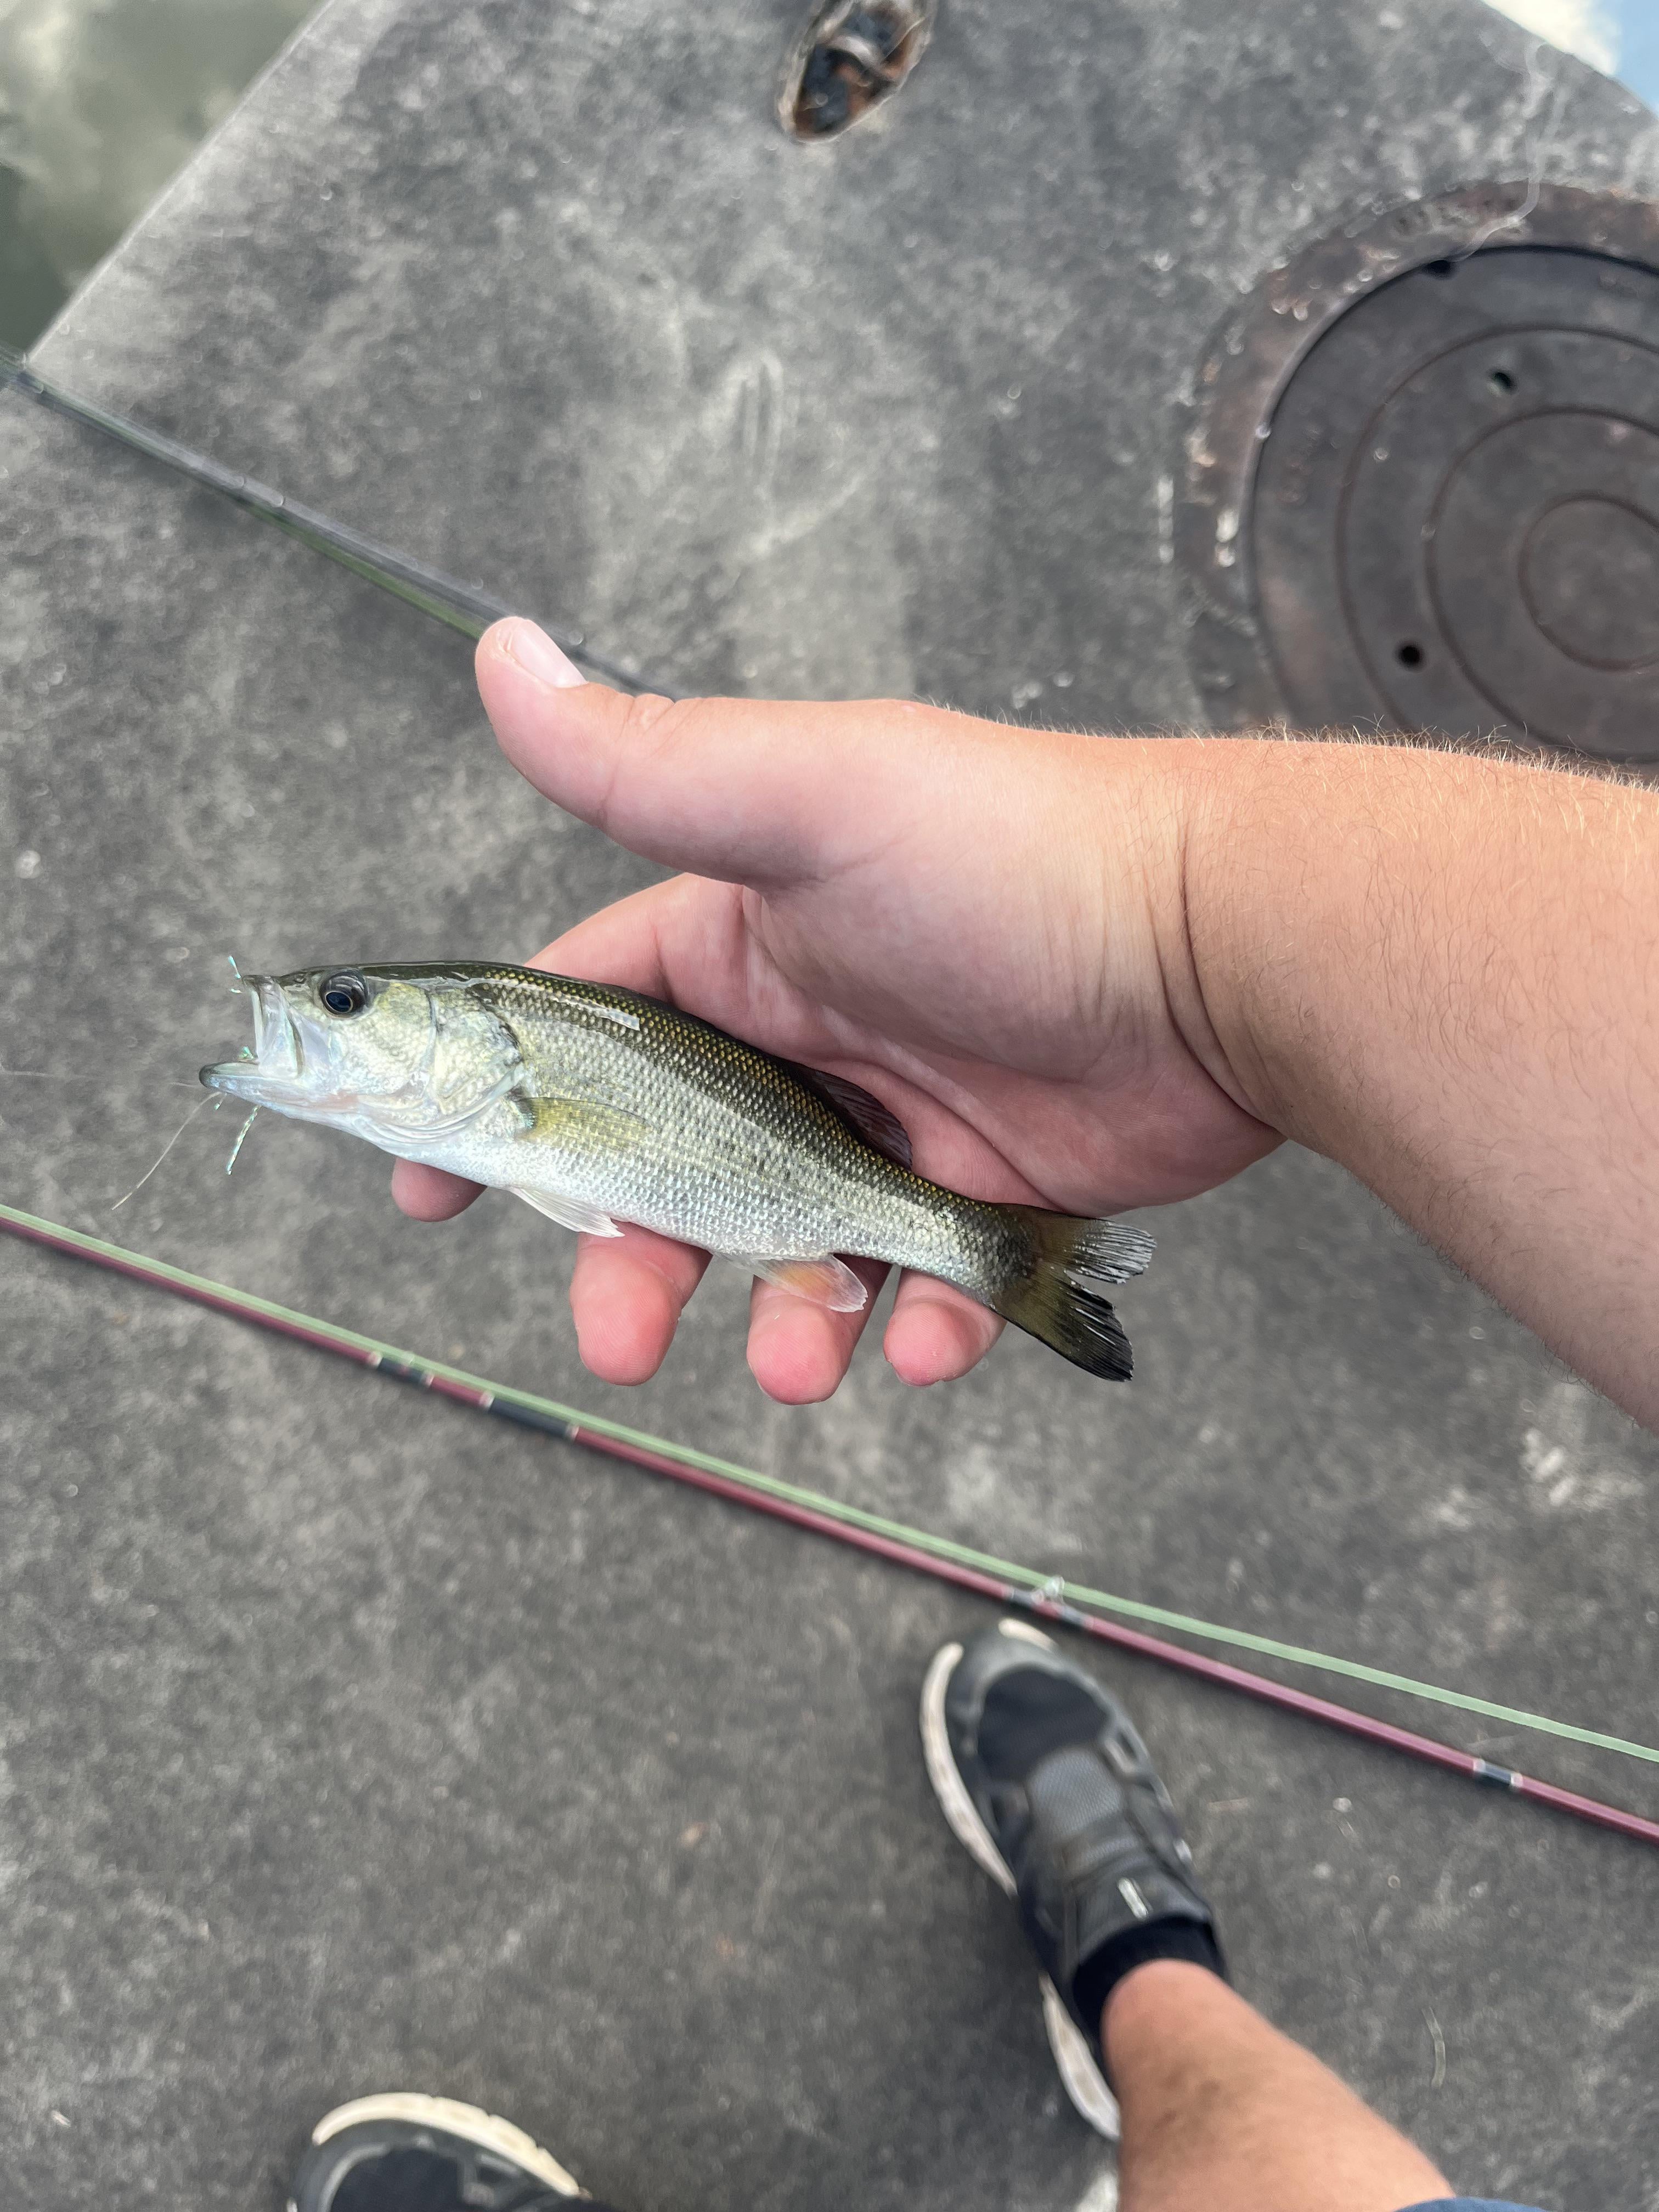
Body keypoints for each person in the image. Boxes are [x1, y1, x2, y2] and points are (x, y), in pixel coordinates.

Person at [291, 616, 1655, 2210]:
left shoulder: (534, 1057)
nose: (325, 1015)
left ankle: (1143, 1983)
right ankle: (1146, 1976)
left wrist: (1182, 927)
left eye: (348, 1003)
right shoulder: (513, 1071)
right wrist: (1174, 940)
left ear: (460, 1036)